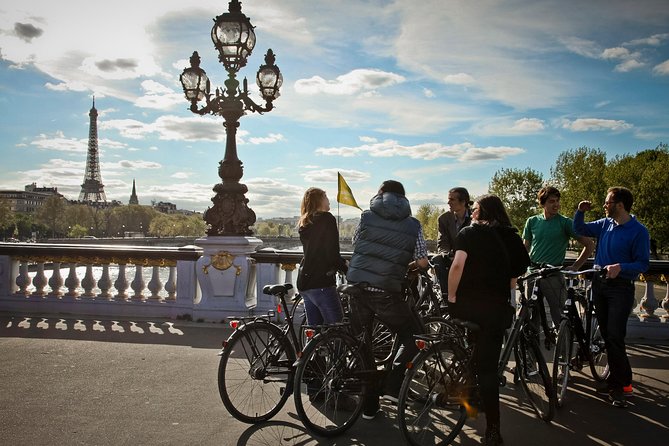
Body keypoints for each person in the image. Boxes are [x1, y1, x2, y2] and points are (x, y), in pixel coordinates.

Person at [448, 194, 530, 446]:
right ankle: (493, 429)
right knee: (488, 368)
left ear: (482, 212)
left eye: (474, 209)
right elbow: (516, 274)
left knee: (473, 348)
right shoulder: (512, 238)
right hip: (495, 309)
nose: (472, 213)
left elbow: (457, 266)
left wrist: (451, 297)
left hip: (466, 307)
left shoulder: (468, 234)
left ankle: (467, 393)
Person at [346, 180, 428, 420]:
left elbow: (356, 243)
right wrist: (407, 264)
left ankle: (369, 407)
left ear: (380, 194)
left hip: (358, 287)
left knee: (364, 346)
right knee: (413, 335)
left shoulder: (366, 216)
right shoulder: (413, 224)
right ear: (403, 198)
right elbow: (422, 261)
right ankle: (393, 385)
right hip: (385, 291)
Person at [573, 186, 650, 408]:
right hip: (600, 285)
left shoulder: (638, 231)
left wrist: (621, 267)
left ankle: (620, 386)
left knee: (615, 335)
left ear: (619, 205)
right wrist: (580, 211)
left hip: (621, 288)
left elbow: (643, 263)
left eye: (607, 202)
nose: (604, 205)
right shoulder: (604, 224)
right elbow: (579, 228)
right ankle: (618, 381)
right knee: (608, 335)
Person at [522, 186, 594, 326]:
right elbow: (525, 248)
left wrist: (576, 266)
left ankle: (562, 345)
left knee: (559, 315)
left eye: (557, 201)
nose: (556, 204)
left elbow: (590, 245)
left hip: (554, 274)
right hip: (533, 273)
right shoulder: (532, 221)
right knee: (531, 317)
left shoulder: (565, 222)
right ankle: (533, 347)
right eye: (551, 201)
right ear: (542, 203)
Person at [297, 187, 348, 325]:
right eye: (326, 197)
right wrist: (346, 268)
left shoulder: (305, 222)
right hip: (321, 282)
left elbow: (318, 251)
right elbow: (331, 254)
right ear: (319, 200)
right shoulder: (327, 219)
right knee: (338, 329)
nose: (329, 200)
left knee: (314, 331)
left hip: (305, 283)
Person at [433, 187, 472, 290]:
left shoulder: (476, 216)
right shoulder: (443, 219)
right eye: (448, 199)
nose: (448, 202)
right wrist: (447, 254)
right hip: (452, 256)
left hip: (471, 256)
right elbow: (442, 241)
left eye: (452, 199)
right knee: (437, 259)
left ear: (463, 202)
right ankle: (446, 295)